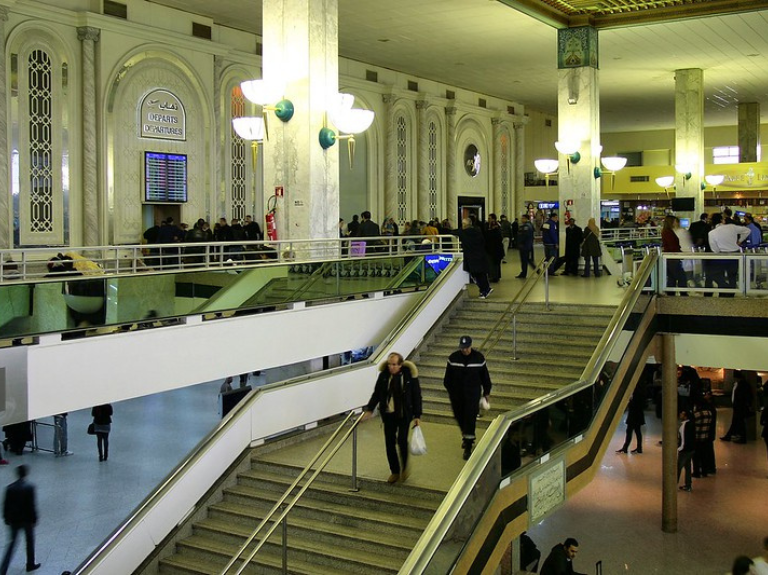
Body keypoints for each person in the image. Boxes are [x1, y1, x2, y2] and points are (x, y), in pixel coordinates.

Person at [362, 352, 422, 483]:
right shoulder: (384, 376)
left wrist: (417, 415)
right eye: (389, 364)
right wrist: (370, 409)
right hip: (389, 414)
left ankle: (404, 467)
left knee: (402, 440)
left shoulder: (409, 376)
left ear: (400, 365)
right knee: (389, 443)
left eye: (394, 364)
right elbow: (377, 394)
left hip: (404, 414)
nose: (391, 367)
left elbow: (416, 395)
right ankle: (394, 471)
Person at [443, 336, 492, 460]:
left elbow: (485, 377)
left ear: (470, 346)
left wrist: (486, 392)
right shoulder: (453, 358)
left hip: (472, 395)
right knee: (459, 417)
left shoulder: (479, 358)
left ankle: (468, 446)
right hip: (457, 395)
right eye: (462, 348)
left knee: (470, 419)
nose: (464, 350)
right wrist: (451, 391)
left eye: (466, 348)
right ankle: (466, 436)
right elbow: (447, 378)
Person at [1, 465, 40, 574]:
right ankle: (30, 564)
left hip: (14, 520)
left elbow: (6, 505)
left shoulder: (10, 488)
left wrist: (6, 518)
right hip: (27, 520)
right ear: (25, 473)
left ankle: (3, 568)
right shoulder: (30, 487)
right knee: (30, 542)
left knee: (11, 544)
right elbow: (31, 506)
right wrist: (34, 518)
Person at [708, 212, 750, 297]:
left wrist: (719, 251)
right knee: (732, 275)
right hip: (735, 254)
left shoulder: (712, 233)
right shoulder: (732, 227)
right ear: (722, 220)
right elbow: (747, 230)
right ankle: (731, 293)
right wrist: (739, 241)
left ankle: (723, 291)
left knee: (719, 275)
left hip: (721, 255)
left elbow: (714, 249)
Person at [453, 218, 493, 299]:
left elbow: (453, 232)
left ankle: (485, 290)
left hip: (471, 257)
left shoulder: (463, 232)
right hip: (480, 255)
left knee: (475, 275)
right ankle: (485, 289)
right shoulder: (477, 231)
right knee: (482, 274)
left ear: (465, 225)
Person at [721, 372, 752, 444]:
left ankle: (735, 437)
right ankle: (730, 436)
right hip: (739, 406)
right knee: (737, 422)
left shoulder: (742, 385)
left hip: (740, 407)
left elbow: (745, 396)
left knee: (738, 422)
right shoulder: (740, 384)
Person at [662, 215, 687, 294]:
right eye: (675, 221)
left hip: (670, 258)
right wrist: (680, 253)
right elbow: (672, 246)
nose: (676, 223)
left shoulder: (667, 232)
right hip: (673, 258)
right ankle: (683, 293)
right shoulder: (668, 233)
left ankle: (670, 293)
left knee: (672, 277)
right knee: (681, 277)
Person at [616, 383, 645, 453]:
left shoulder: (636, 391)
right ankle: (638, 448)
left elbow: (635, 402)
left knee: (630, 431)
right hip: (637, 414)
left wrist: (630, 402)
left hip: (634, 414)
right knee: (637, 431)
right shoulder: (640, 389)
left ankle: (626, 447)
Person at [677, 409, 696, 492]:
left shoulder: (684, 426)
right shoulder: (691, 424)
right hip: (691, 449)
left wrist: (680, 448)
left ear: (685, 416)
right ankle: (688, 485)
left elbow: (684, 439)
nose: (680, 415)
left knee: (678, 467)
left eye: (682, 414)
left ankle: (673, 484)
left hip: (685, 450)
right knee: (688, 467)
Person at [516, 214, 535, 279]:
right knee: (527, 259)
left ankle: (524, 273)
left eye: (523, 218)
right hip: (527, 245)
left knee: (524, 260)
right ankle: (535, 270)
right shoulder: (529, 225)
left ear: (526, 219)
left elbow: (523, 236)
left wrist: (520, 243)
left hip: (524, 246)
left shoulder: (526, 226)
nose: (522, 219)